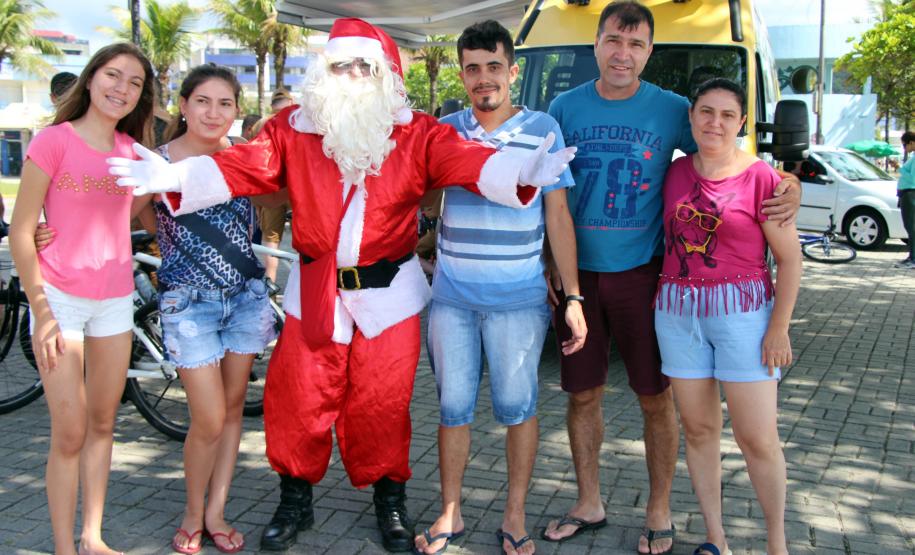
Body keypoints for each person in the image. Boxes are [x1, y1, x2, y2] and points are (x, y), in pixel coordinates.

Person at [107, 17, 574, 553]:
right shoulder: (293, 129)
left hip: (389, 296)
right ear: (325, 73)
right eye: (342, 66)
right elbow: (245, 165)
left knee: (382, 402)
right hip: (315, 291)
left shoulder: (417, 132)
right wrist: (177, 176)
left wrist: (519, 169)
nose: (353, 75)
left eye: (364, 66)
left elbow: (466, 159)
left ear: (384, 75)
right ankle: (294, 499)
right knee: (298, 400)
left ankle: (389, 502)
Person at [542, 3, 800, 554]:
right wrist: (554, 271)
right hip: (579, 278)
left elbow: (723, 144)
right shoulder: (563, 106)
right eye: (614, 40)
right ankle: (589, 501)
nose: (622, 54)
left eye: (635, 45)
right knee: (582, 395)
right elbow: (549, 192)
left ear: (649, 53)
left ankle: (658, 509)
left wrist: (783, 183)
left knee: (655, 398)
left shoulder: (672, 109)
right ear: (596, 43)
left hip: (646, 276)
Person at [411, 20, 587, 555]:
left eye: (493, 67)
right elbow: (424, 204)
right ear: (462, 75)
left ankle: (514, 515)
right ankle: (450, 512)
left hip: (518, 300)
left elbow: (558, 217)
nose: (482, 78)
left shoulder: (544, 128)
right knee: (452, 409)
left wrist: (573, 296)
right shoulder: (445, 130)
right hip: (452, 299)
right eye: (472, 69)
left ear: (512, 71)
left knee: (518, 408)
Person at [9, 42, 155, 555]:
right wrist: (42, 310)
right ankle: (63, 547)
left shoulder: (135, 154)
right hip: (60, 302)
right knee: (69, 432)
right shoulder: (54, 141)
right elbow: (20, 231)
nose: (121, 88)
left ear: (142, 97)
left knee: (103, 423)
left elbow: (132, 208)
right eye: (113, 76)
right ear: (91, 80)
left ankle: (92, 537)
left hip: (115, 301)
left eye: (134, 83)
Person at [655, 77, 801, 555]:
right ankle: (715, 538)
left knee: (756, 437)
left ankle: (776, 544)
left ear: (741, 123)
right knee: (698, 431)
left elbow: (791, 259)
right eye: (705, 111)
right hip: (677, 314)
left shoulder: (762, 178)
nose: (714, 122)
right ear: (692, 116)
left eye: (726, 115)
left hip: (744, 316)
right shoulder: (674, 172)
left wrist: (778, 328)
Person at [148, 64, 278, 555]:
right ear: (183, 105)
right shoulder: (157, 161)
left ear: (237, 112)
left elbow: (274, 202)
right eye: (202, 100)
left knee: (229, 411)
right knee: (206, 417)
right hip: (189, 306)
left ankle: (217, 512)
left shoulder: (243, 158)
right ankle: (191, 511)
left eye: (225, 104)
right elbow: (123, 214)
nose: (213, 112)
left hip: (245, 300)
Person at [258, 89, 296, 282]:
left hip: (272, 188)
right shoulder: (299, 121)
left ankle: (270, 287)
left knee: (270, 240)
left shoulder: (263, 123)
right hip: (292, 189)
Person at [895, 130, 914, 269]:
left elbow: (913, 178)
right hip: (906, 193)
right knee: (910, 226)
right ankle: (911, 257)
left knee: (911, 226)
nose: (904, 148)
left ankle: (913, 259)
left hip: (910, 193)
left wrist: (899, 169)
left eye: (904, 145)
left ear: (911, 143)